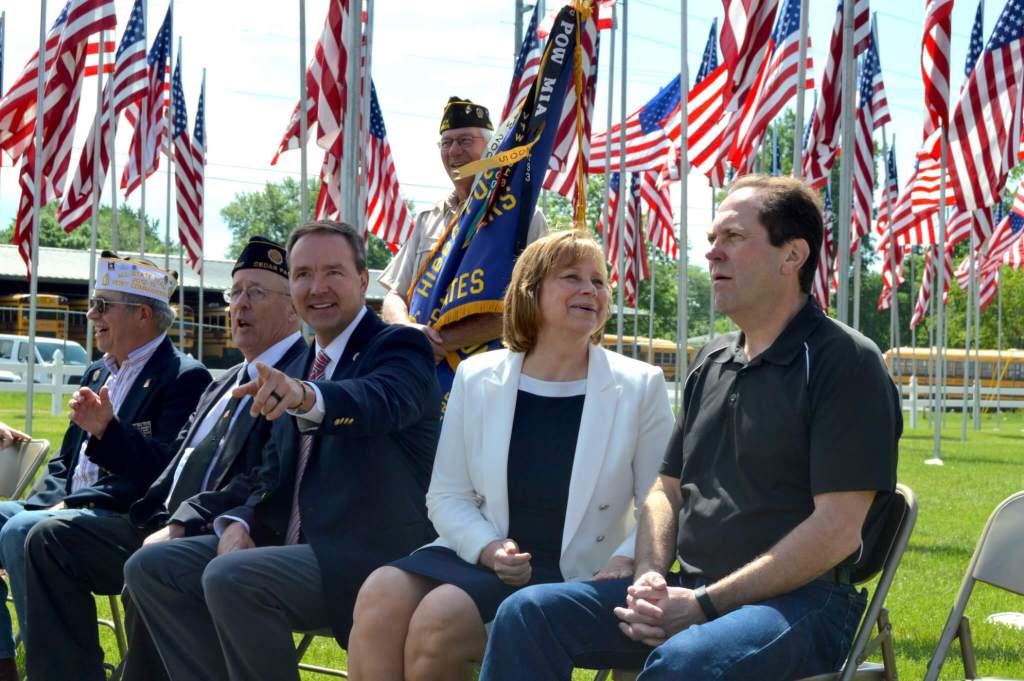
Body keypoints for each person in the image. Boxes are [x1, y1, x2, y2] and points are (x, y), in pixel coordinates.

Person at [480, 175, 903, 681]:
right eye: (711, 241)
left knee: (684, 664)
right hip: (691, 587)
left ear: (792, 256)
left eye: (733, 238)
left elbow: (836, 532)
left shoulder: (845, 361)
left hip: (803, 605)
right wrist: (651, 574)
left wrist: (702, 605)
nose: (712, 254)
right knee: (528, 613)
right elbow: (665, 488)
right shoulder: (712, 359)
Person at [347, 231, 675, 681]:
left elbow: (661, 501)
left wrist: (627, 559)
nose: (590, 290)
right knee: (379, 593)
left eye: (598, 281)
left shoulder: (641, 385)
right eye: (572, 277)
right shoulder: (477, 376)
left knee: (439, 617)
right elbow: (447, 495)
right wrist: (488, 548)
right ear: (531, 292)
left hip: (578, 569)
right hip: (486, 550)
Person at [124, 221, 442, 681]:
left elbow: (379, 401)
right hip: (287, 544)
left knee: (233, 578)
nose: (317, 288)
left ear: (363, 280)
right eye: (302, 275)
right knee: (154, 567)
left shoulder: (399, 346)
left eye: (333, 272)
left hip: (368, 554)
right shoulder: (305, 362)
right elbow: (271, 473)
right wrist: (240, 520)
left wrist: (307, 397)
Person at [19, 237, 307, 681]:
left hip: (220, 530)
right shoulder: (225, 379)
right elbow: (175, 464)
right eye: (234, 294)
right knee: (48, 539)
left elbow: (265, 478)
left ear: (293, 308)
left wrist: (182, 522)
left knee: (143, 564)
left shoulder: (300, 378)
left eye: (256, 293)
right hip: (152, 519)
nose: (238, 306)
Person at [0, 253, 211, 681]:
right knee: (12, 520)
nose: (91, 314)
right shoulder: (98, 371)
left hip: (130, 525)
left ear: (143, 315)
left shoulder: (184, 378)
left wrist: (109, 432)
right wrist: (49, 503)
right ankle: (5, 662)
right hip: (71, 514)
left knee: (25, 531)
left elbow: (166, 475)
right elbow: (64, 464)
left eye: (103, 305)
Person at [379, 96, 547, 364]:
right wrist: (407, 331)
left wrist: (439, 343)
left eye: (465, 141)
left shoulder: (522, 217)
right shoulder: (427, 220)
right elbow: (394, 294)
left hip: (493, 371)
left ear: (491, 147)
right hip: (425, 373)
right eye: (446, 143)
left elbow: (538, 302)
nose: (454, 151)